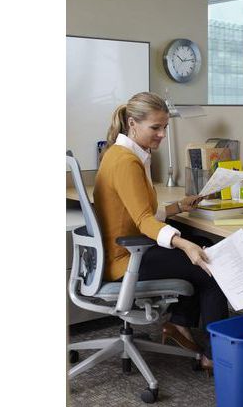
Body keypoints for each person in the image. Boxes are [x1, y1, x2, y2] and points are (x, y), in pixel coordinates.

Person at [93, 91, 229, 372]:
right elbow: (143, 220)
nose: (162, 135)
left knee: (203, 242)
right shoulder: (126, 161)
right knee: (211, 266)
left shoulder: (125, 154)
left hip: (126, 249)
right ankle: (216, 356)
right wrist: (184, 245)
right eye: (155, 127)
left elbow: (136, 212)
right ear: (132, 123)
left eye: (165, 127)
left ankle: (179, 324)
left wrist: (178, 207)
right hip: (125, 260)